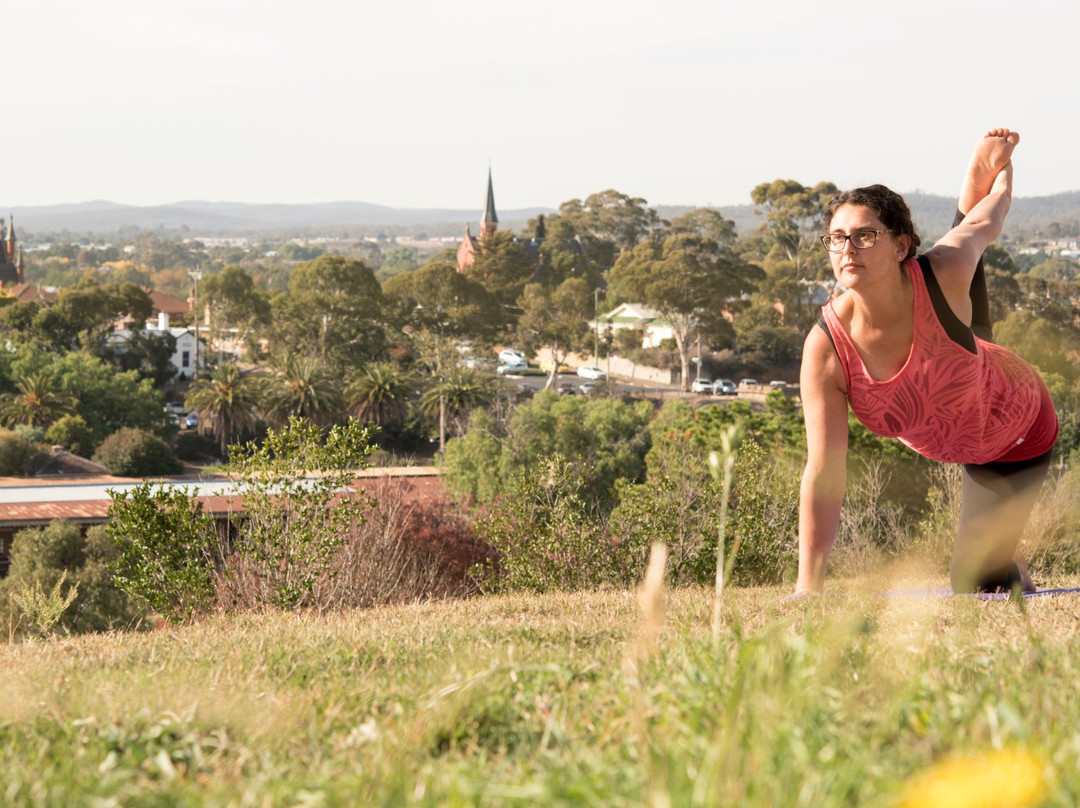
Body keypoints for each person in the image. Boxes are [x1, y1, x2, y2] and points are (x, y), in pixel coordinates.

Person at [794, 129, 1058, 596]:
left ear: (900, 246)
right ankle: (1001, 539)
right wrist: (807, 587)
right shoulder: (827, 348)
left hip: (1012, 425)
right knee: (965, 339)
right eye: (836, 238)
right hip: (959, 372)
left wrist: (1002, 179)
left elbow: (986, 223)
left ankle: (1005, 556)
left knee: (974, 583)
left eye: (864, 235)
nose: (847, 248)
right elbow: (824, 472)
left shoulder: (944, 270)